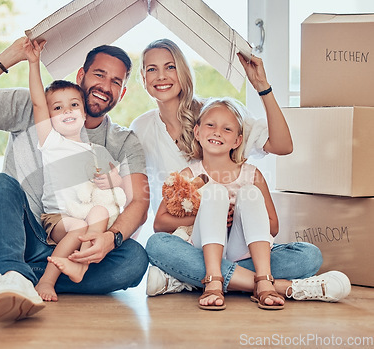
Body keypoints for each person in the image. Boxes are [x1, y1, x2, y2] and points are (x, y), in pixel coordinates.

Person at [0, 37, 150, 322]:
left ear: (122, 93)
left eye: (116, 81)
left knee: (135, 260)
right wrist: (10, 57)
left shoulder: (122, 141)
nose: (105, 86)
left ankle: (5, 272)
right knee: (1, 184)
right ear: (81, 75)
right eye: (99, 74)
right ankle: (10, 270)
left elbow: (139, 201)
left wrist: (110, 239)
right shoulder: (37, 105)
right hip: (28, 233)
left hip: (82, 247)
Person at [130, 38, 351, 302]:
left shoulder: (219, 114)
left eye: (170, 67)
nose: (161, 76)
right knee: (156, 246)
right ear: (143, 77)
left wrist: (262, 87)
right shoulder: (141, 128)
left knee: (308, 256)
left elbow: (283, 146)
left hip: (241, 243)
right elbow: (150, 212)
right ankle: (274, 286)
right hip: (191, 243)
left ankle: (190, 280)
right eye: (151, 69)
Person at [23, 38, 131, 302]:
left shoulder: (94, 150)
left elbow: (118, 180)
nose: (67, 111)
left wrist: (113, 179)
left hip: (83, 215)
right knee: (78, 228)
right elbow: (38, 103)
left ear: (84, 113)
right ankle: (47, 281)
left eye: (73, 105)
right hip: (57, 217)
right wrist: (33, 63)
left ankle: (79, 267)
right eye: (57, 109)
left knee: (100, 212)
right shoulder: (51, 142)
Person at [158, 97, 285, 310]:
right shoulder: (189, 175)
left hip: (240, 250)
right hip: (203, 248)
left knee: (308, 256)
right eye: (210, 125)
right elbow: (159, 224)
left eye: (227, 129)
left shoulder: (252, 175)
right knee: (157, 244)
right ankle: (216, 279)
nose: (217, 132)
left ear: (237, 140)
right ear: (197, 132)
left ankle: (262, 279)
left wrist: (237, 218)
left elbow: (273, 226)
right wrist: (205, 214)